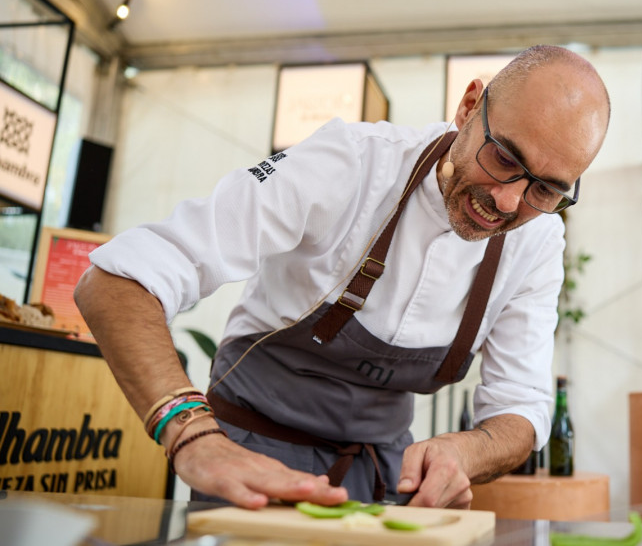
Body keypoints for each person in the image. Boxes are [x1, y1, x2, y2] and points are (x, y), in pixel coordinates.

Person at [74, 44, 611, 510]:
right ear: (469, 106)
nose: (507, 200)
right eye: (502, 157)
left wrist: (464, 453)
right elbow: (119, 279)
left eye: (546, 190)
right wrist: (192, 434)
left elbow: (521, 406)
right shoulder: (348, 163)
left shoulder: (538, 240)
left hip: (381, 481)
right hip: (247, 459)